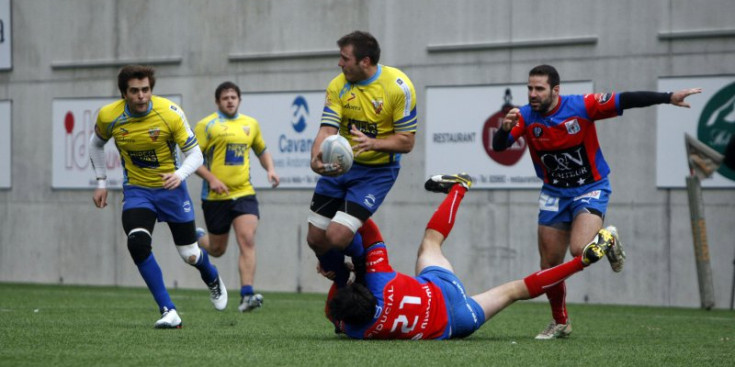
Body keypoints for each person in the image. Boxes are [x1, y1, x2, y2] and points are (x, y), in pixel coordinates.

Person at [492, 64, 702, 339]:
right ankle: (560, 322)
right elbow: (499, 147)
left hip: (589, 188)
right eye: (530, 88)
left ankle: (609, 239)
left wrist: (668, 96)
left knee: (580, 250)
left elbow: (625, 99)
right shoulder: (526, 116)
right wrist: (504, 129)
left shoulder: (582, 106)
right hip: (554, 193)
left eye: (539, 89)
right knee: (549, 266)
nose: (533, 94)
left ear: (556, 90)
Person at [323, 174, 623, 340]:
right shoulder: (379, 281)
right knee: (431, 242)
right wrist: (347, 211)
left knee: (515, 289)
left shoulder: (355, 331)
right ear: (361, 288)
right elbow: (370, 232)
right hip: (440, 288)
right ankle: (458, 189)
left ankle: (582, 262)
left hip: (458, 321)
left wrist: (341, 277)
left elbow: (332, 313)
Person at [89, 65, 227, 329]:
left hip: (172, 191)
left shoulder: (170, 113)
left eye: (146, 90)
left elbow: (196, 154)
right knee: (137, 244)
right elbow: (96, 144)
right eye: (134, 91)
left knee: (189, 255)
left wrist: (180, 174)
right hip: (137, 191)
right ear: (124, 94)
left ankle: (211, 277)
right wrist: (101, 182)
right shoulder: (109, 116)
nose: (141, 96)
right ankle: (168, 310)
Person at [307, 30, 418, 287]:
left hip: (376, 173)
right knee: (315, 239)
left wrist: (373, 143)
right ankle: (343, 278)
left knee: (336, 236)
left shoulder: (399, 87)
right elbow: (326, 131)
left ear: (365, 61)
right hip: (341, 168)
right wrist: (316, 159)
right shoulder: (338, 85)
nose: (340, 63)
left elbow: (407, 141)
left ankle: (361, 268)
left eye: (345, 58)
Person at [193, 81, 280, 312]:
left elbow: (261, 150)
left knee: (248, 239)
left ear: (239, 100)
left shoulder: (250, 124)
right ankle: (198, 237)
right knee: (217, 250)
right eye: (225, 98)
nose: (230, 100)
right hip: (214, 197)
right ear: (217, 102)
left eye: (233, 97)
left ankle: (247, 295)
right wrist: (211, 178)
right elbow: (192, 161)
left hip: (244, 193)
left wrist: (270, 169)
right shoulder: (206, 125)